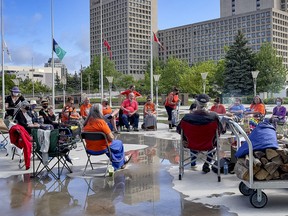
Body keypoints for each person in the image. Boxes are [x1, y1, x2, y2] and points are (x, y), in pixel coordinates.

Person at [178, 94, 223, 173]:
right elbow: (221, 130)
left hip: (190, 144)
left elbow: (179, 130)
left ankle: (193, 163)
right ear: (208, 104)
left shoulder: (187, 117)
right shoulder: (214, 117)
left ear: (196, 103)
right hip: (209, 144)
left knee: (192, 138)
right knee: (214, 141)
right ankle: (207, 163)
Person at [83, 104, 131, 171]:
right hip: (102, 148)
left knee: (110, 147)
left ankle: (122, 160)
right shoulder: (101, 122)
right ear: (99, 111)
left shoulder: (86, 123)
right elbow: (111, 138)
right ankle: (121, 162)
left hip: (90, 149)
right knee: (118, 143)